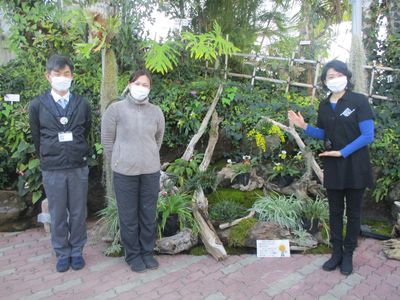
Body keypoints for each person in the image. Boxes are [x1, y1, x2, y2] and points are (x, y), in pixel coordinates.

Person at [288, 60, 374, 275]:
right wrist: (305, 127)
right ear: (325, 82)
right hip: (334, 165)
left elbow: (367, 135)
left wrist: (343, 152)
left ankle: (348, 255)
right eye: (329, 76)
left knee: (353, 213)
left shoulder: (358, 101)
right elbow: (325, 134)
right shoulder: (324, 106)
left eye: (338, 74)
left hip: (355, 165)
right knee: (335, 212)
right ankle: (336, 253)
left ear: (346, 76)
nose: (334, 79)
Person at [29, 54, 92, 272]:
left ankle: (77, 251)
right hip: (53, 168)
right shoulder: (37, 105)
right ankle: (62, 252)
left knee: (77, 212)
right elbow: (37, 136)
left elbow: (87, 132)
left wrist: (80, 151)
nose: (62, 78)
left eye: (66, 74)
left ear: (72, 76)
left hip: (77, 165)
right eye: (57, 74)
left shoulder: (82, 103)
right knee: (57, 213)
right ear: (48, 76)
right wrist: (49, 154)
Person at [101, 70, 165, 272]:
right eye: (138, 83)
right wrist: (120, 159)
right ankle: (133, 255)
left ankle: (147, 252)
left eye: (145, 85)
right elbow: (107, 141)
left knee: (148, 214)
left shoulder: (156, 112)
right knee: (128, 216)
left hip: (150, 171)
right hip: (124, 173)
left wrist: (148, 156)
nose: (141, 88)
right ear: (129, 85)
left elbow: (158, 139)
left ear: (150, 89)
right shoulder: (115, 110)